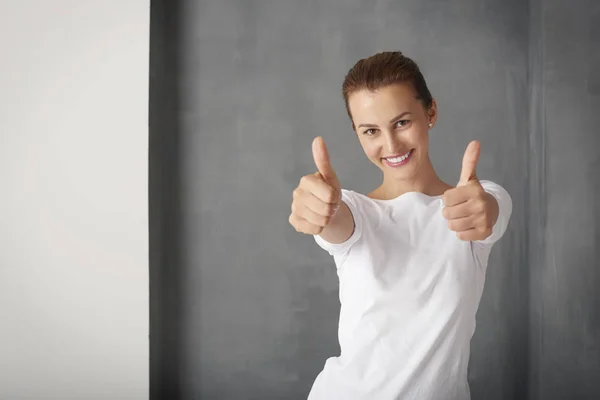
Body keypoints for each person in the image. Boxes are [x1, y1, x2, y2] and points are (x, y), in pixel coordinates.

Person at [288, 51, 512, 400]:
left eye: (402, 122)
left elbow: (488, 213)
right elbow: (335, 223)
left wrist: (485, 208)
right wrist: (318, 209)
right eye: (371, 131)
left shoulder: (474, 203)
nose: (390, 145)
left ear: (431, 113)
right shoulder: (352, 211)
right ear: (357, 134)